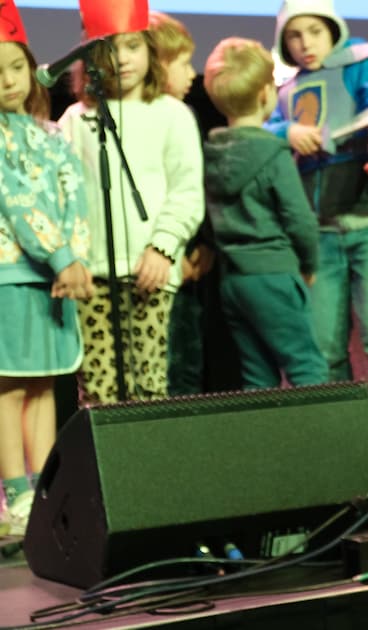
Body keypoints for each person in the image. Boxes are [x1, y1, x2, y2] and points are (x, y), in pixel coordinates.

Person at [267, 0, 368, 459]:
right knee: (324, 347)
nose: (305, 43)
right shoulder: (287, 85)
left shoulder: (361, 63)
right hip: (319, 232)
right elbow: (262, 127)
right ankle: (340, 442)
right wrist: (287, 132)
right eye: (295, 35)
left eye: (314, 31)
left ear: (333, 29)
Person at [59, 19, 205, 404]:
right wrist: (72, 256)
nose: (121, 59)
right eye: (110, 48)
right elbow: (63, 197)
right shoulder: (75, 119)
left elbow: (187, 191)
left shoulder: (172, 114)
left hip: (150, 271)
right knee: (99, 390)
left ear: (150, 51)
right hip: (92, 276)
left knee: (148, 385)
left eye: (133, 46)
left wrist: (163, 247)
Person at [0, 5, 94, 538]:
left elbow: (74, 197)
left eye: (16, 67)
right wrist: (61, 258)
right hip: (11, 276)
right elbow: (18, 201)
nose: (9, 80)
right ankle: (15, 494)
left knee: (41, 385)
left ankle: (44, 491)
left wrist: (76, 260)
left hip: (54, 276)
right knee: (8, 388)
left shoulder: (51, 133)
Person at [202, 37, 327, 389]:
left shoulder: (212, 152)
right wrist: (309, 264)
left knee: (257, 377)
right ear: (265, 95)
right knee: (308, 368)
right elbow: (299, 219)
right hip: (274, 274)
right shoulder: (273, 153)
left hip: (233, 281)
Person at [148, 10, 220, 396]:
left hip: (187, 259)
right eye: (183, 63)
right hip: (156, 262)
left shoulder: (183, 114)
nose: (193, 74)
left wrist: (202, 244)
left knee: (185, 364)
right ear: (158, 65)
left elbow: (194, 186)